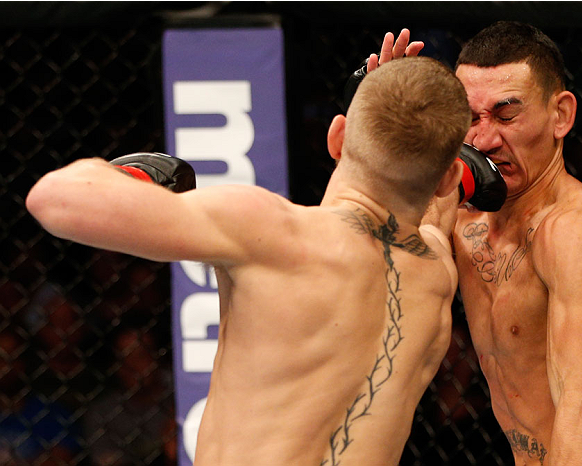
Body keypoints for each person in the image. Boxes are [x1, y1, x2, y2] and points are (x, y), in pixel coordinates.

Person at [25, 56, 504, 465]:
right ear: (447, 179)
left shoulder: (268, 230)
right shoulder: (436, 273)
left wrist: (132, 178)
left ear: (337, 138)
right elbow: (436, 205)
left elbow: (53, 200)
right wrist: (412, 116)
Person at [357, 24, 582, 465]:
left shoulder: (574, 229)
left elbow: (581, 400)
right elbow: (372, 268)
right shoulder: (462, 217)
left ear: (560, 115)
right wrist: (380, 123)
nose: (485, 140)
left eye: (506, 116)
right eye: (471, 118)